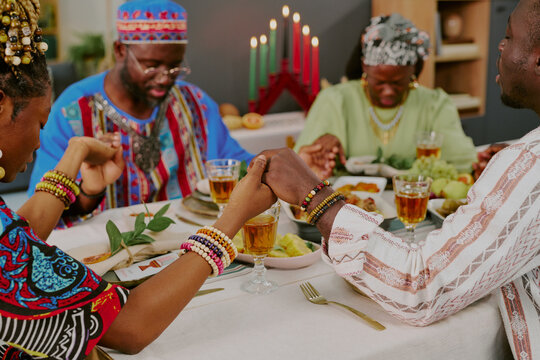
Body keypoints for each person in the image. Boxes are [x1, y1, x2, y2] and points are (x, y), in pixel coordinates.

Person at [254, 1, 540, 358]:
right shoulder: (336, 100)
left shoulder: (528, 164)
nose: (499, 44)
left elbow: (419, 287)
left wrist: (317, 198)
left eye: (508, 36)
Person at [0, 2, 272, 356]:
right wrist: (231, 221)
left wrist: (77, 152)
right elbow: (128, 327)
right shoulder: (76, 107)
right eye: (39, 123)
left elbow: (16, 233)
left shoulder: (194, 103)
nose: (39, 141)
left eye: (173, 65)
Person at [28, 0, 253, 227]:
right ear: (120, 50)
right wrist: (89, 190)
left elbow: (239, 166)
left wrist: (267, 164)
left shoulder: (196, 104)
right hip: (104, 255)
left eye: (174, 66)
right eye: (151, 65)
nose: (165, 78)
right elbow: (42, 209)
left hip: (188, 245)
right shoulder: (73, 111)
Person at [294, 13, 477, 179]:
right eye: (379, 82)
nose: (388, 91)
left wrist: (483, 162)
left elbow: (463, 163)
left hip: (413, 204)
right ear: (365, 67)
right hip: (348, 204)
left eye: (398, 82)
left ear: (413, 70)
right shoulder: (334, 100)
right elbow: (298, 169)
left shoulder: (435, 104)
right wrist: (322, 149)